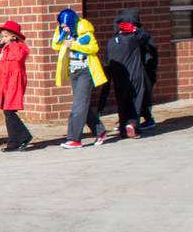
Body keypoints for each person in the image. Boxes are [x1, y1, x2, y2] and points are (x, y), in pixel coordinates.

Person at [51, 9, 108, 148]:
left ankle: (74, 139)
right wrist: (61, 33)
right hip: (73, 72)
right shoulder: (65, 34)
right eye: (61, 26)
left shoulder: (85, 32)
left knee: (77, 106)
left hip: (85, 71)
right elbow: (55, 46)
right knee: (82, 105)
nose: (64, 28)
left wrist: (75, 44)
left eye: (65, 26)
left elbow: (94, 48)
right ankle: (100, 131)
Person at [106, 8, 157, 139]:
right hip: (136, 72)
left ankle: (125, 125)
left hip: (122, 75)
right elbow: (145, 36)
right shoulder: (135, 38)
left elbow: (107, 60)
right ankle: (132, 123)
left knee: (123, 99)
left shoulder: (113, 41)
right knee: (136, 98)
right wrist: (135, 30)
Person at [0, 21, 32, 151]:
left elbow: (20, 57)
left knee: (9, 111)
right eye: (2, 37)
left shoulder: (21, 47)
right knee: (7, 112)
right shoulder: (4, 49)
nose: (3, 39)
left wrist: (13, 43)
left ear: (14, 36)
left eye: (6, 36)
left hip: (15, 82)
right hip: (4, 82)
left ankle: (24, 136)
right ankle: (13, 143)